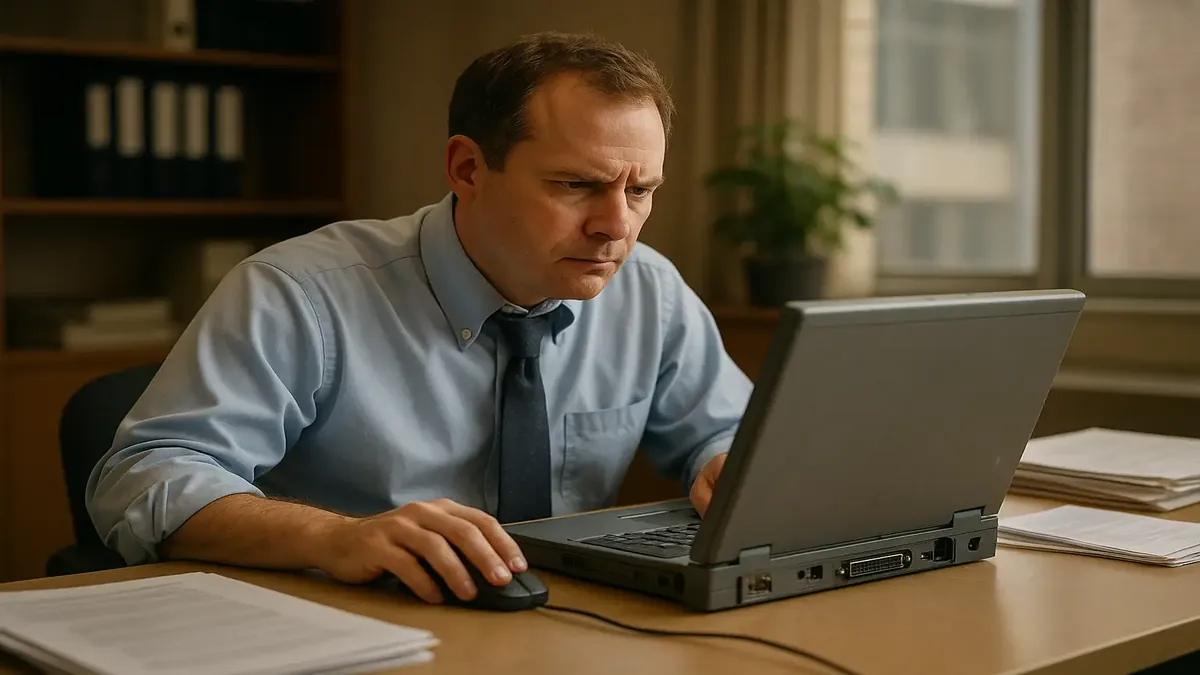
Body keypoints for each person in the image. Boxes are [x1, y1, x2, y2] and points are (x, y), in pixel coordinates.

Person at [85, 31, 752, 606]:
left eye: (641, 191)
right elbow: (145, 475)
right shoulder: (302, 292)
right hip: (351, 622)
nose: (617, 225)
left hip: (562, 625)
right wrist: (338, 536)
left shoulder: (647, 290)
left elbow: (728, 429)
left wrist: (727, 461)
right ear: (467, 167)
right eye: (575, 184)